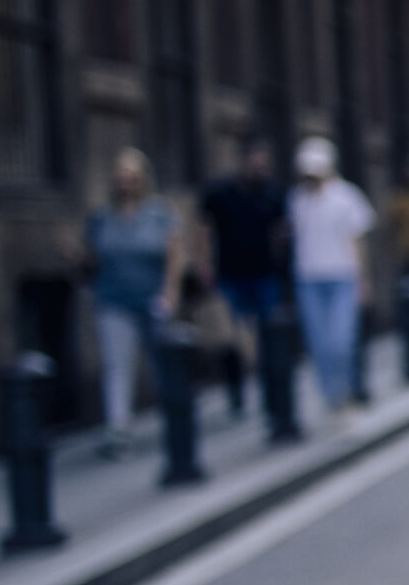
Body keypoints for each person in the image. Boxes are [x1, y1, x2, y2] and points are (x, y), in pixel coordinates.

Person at [81, 147, 179, 456]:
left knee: (161, 362)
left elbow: (175, 255)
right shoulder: (102, 218)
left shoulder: (159, 213)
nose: (126, 184)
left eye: (132, 178)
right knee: (117, 365)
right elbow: (92, 259)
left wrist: (170, 292)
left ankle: (175, 421)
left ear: (143, 179)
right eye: (121, 178)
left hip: (152, 299)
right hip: (113, 301)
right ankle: (118, 428)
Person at [197, 139, 288, 417]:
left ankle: (270, 393)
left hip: (264, 276)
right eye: (256, 163)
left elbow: (281, 231)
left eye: (264, 164)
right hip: (230, 277)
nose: (260, 168)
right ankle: (236, 390)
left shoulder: (274, 194)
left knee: (267, 337)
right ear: (244, 161)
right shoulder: (220, 192)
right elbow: (202, 229)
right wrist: (204, 265)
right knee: (231, 341)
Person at [288, 136, 374, 423]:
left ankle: (347, 393)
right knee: (319, 345)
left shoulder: (346, 197)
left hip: (342, 277)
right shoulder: (297, 199)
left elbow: (358, 240)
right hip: (309, 279)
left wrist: (363, 279)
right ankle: (333, 398)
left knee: (341, 341)